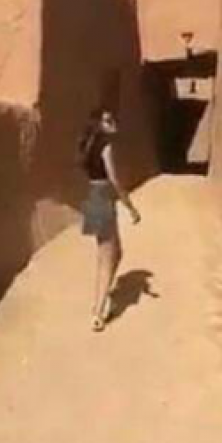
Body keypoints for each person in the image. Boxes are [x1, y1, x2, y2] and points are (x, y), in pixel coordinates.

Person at [78, 107, 141, 331]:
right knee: (107, 258)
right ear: (99, 124)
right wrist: (130, 207)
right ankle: (98, 313)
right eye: (107, 120)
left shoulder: (88, 146)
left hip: (92, 195)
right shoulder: (105, 146)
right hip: (103, 197)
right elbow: (114, 180)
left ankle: (100, 303)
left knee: (112, 253)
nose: (113, 123)